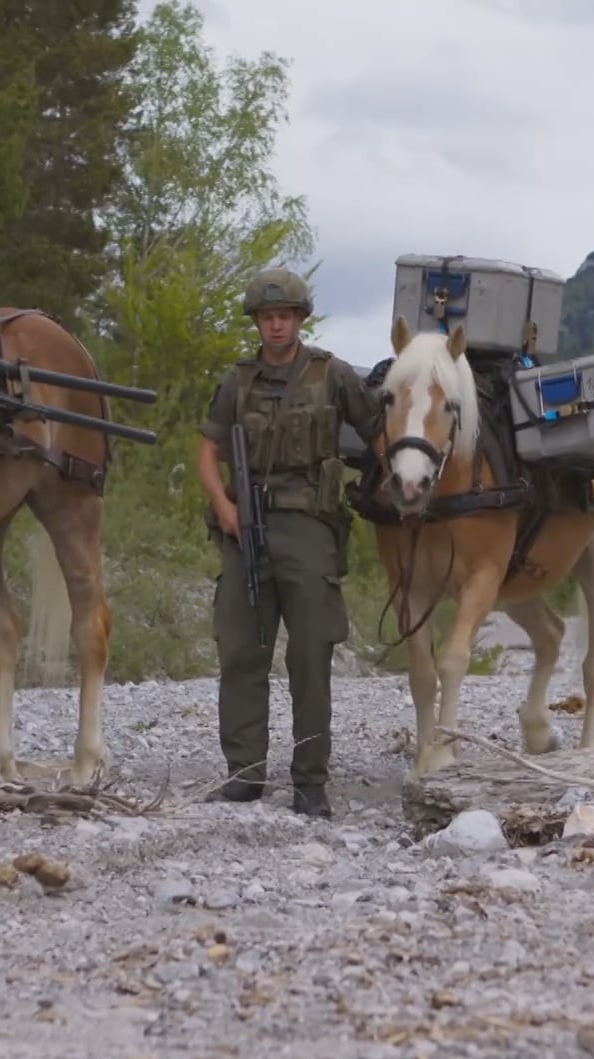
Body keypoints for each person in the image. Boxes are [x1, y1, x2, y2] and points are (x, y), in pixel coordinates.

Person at [193, 268, 381, 817]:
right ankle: (245, 773)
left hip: (309, 528)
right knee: (241, 650)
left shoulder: (333, 375)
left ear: (300, 319)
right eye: (266, 317)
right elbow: (208, 452)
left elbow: (378, 435)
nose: (275, 325)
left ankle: (310, 781)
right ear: (257, 321)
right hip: (245, 526)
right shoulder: (238, 381)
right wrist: (224, 507)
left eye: (285, 316)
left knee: (309, 656)